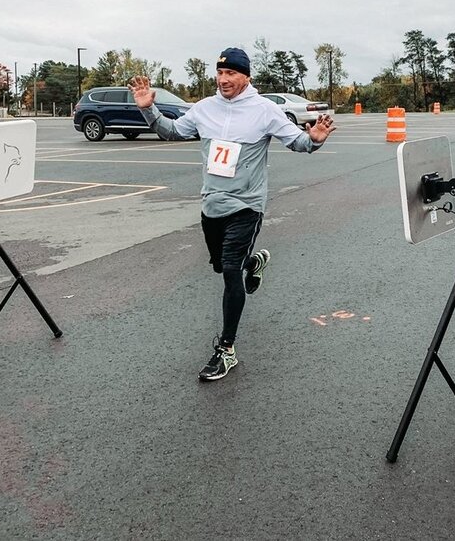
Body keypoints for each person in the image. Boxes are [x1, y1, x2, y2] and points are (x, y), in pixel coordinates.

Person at [128, 47, 335, 381]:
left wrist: (314, 139)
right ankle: (253, 263)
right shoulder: (204, 109)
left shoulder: (265, 111)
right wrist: (148, 109)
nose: (223, 80)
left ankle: (226, 349)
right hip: (212, 205)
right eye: (220, 74)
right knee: (222, 265)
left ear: (245, 76)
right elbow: (172, 131)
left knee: (228, 272)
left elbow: (298, 142)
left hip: (247, 206)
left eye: (231, 74)